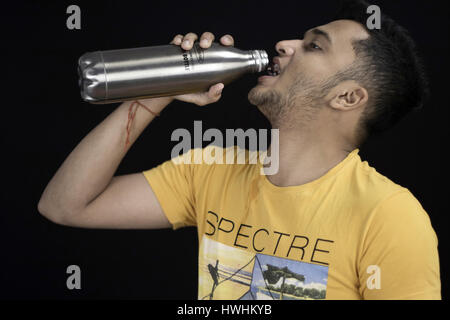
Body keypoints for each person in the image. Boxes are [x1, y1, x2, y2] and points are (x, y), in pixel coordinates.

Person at [38, 0, 441, 299]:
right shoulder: (210, 168)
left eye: (314, 47)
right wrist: (161, 85)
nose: (285, 44)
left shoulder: (388, 215)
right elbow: (65, 205)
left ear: (348, 97)